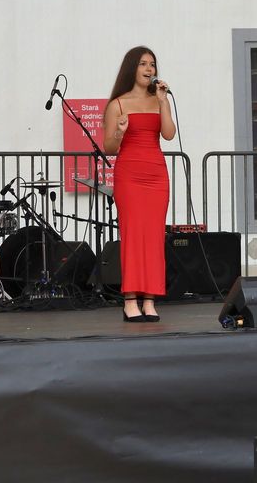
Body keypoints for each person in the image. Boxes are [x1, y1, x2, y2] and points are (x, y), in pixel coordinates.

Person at [103, 46, 176, 322]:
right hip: (129, 175)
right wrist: (120, 133)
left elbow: (168, 134)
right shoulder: (117, 105)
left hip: (156, 174)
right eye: (143, 64)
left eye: (152, 64)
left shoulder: (159, 100)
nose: (149, 69)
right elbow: (109, 148)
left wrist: (164, 102)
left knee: (154, 236)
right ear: (132, 68)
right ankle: (130, 299)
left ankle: (150, 299)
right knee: (133, 236)